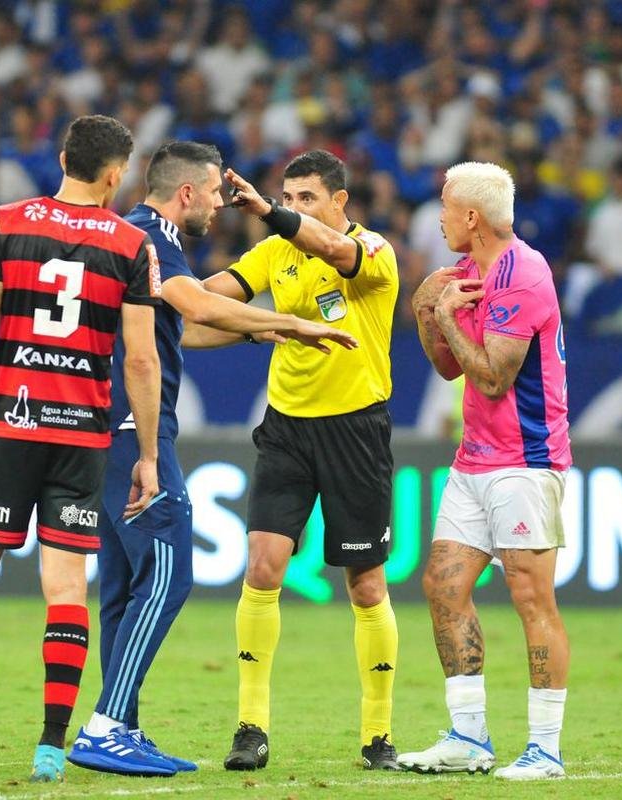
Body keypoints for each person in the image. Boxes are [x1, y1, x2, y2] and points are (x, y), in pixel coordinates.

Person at [66, 141, 357, 777]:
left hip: (95, 426)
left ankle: (122, 726)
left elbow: (189, 325)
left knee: (122, 585)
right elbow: (196, 306)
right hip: (128, 427)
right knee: (170, 573)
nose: (224, 204)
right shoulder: (152, 235)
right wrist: (297, 324)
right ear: (189, 193)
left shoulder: (128, 233)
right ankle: (108, 724)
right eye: (218, 193)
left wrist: (261, 328)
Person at [0, 115, 163, 785]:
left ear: (62, 158)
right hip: (80, 434)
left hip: (9, 425)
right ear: (112, 173)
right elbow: (140, 362)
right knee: (66, 586)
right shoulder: (131, 244)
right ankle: (49, 748)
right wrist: (149, 453)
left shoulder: (6, 222)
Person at [201, 150, 401, 772]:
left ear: (341, 202)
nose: (294, 208)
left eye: (307, 198)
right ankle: (251, 727)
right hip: (287, 429)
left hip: (356, 431)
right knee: (262, 567)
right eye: (289, 196)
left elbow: (338, 256)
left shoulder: (376, 254)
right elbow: (202, 308)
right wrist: (254, 327)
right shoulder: (273, 253)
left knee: (365, 584)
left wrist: (269, 212)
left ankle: (377, 735)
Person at [399, 161, 572, 780]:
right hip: (475, 458)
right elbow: (450, 369)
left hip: (526, 461)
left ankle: (545, 749)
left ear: (472, 217)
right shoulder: (464, 273)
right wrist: (426, 314)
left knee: (531, 597)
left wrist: (444, 315)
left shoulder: (523, 272)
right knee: (443, 586)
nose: (439, 218)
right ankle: (469, 738)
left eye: (445, 208)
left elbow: (495, 376)